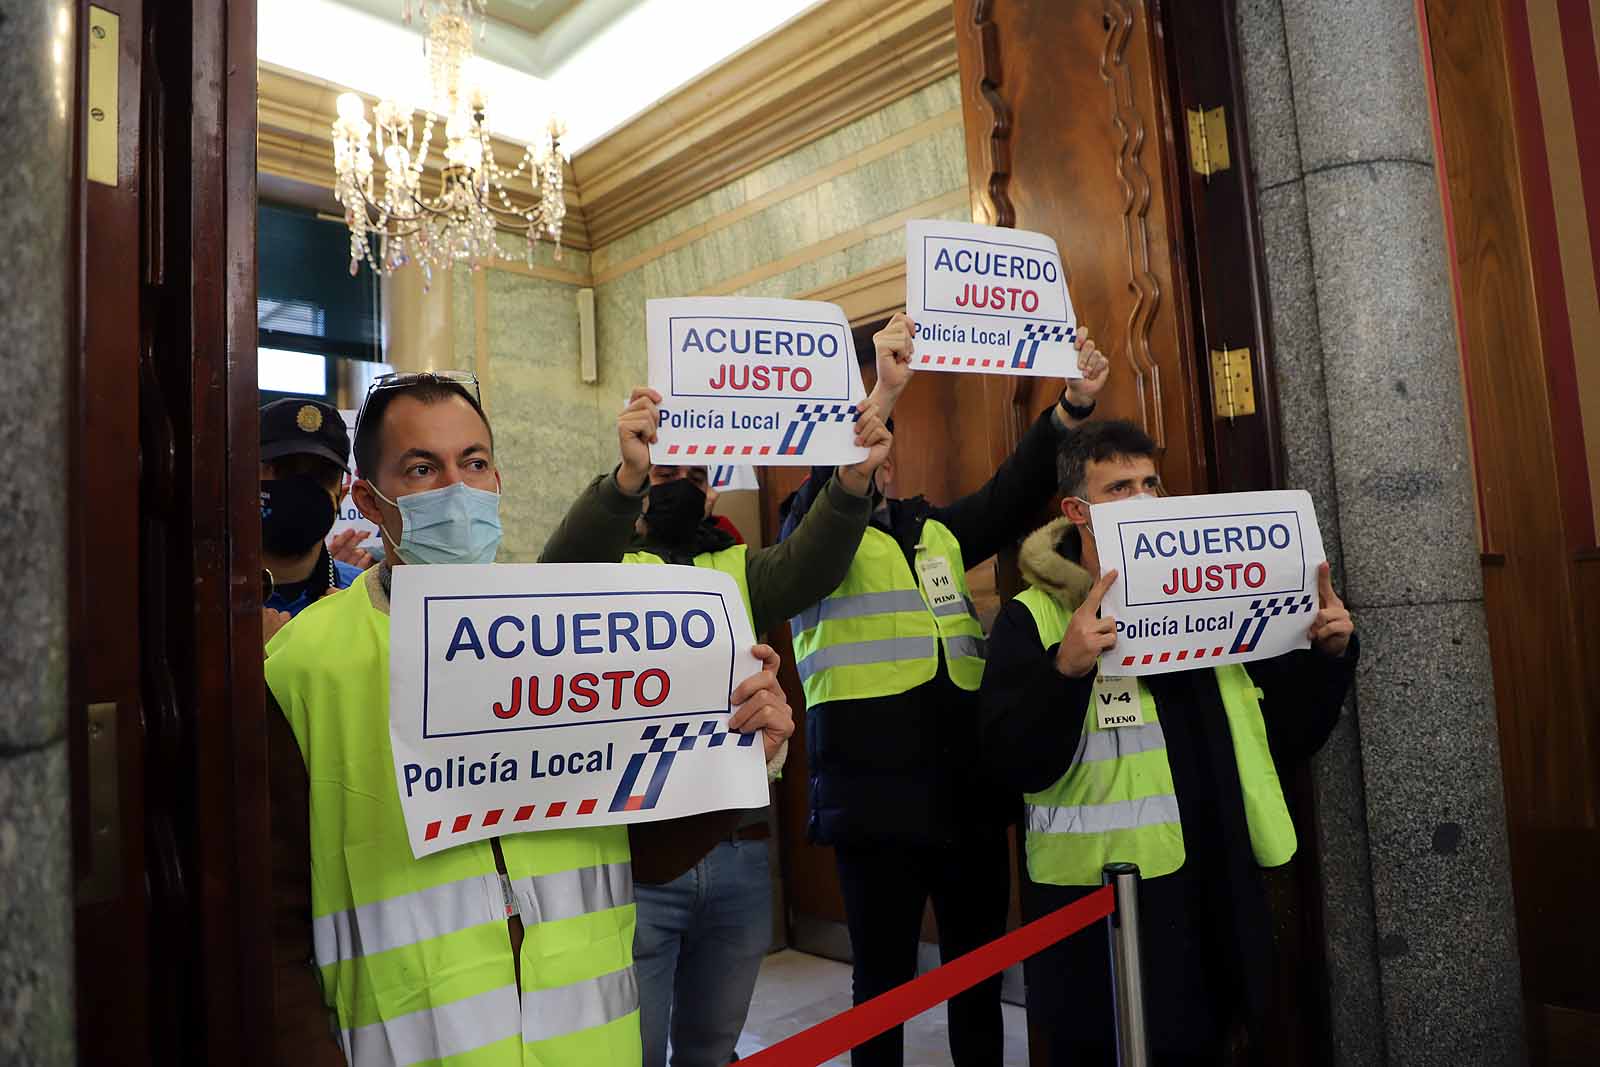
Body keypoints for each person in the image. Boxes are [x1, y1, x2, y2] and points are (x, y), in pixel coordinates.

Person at [264, 372, 796, 1067]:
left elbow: (643, 851)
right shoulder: (303, 664)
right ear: (369, 499)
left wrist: (740, 755)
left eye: (474, 462)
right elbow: (269, 934)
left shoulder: (567, 636)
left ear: (497, 482)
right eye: (423, 468)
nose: (457, 487)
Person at [779, 312, 1109, 1067]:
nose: (875, 452)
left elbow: (1011, 492)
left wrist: (1072, 407)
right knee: (884, 992)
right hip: (874, 809)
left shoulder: (938, 531)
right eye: (857, 438)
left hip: (967, 798)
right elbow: (824, 509)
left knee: (978, 983)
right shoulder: (804, 537)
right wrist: (881, 397)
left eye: (881, 442)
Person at [978, 420, 1358, 1065]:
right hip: (1107, 902)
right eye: (1120, 486)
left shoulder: (1221, 600)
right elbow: (1011, 764)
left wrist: (1327, 656)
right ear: (1079, 511)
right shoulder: (1033, 617)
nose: (1145, 497)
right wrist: (1063, 672)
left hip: (1219, 882)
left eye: (1151, 482)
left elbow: (1289, 738)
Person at [624, 375, 902, 1067]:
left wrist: (849, 483)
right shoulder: (607, 563)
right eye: (663, 472)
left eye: (690, 473)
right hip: (638, 859)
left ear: (712, 487)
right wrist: (621, 480)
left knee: (713, 1048)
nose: (677, 483)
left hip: (739, 848)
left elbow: (811, 560)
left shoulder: (736, 564)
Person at [258, 398, 364, 642]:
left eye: (321, 475)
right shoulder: (210, 599)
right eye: (285, 469)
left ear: (341, 495)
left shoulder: (363, 597)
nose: (301, 488)